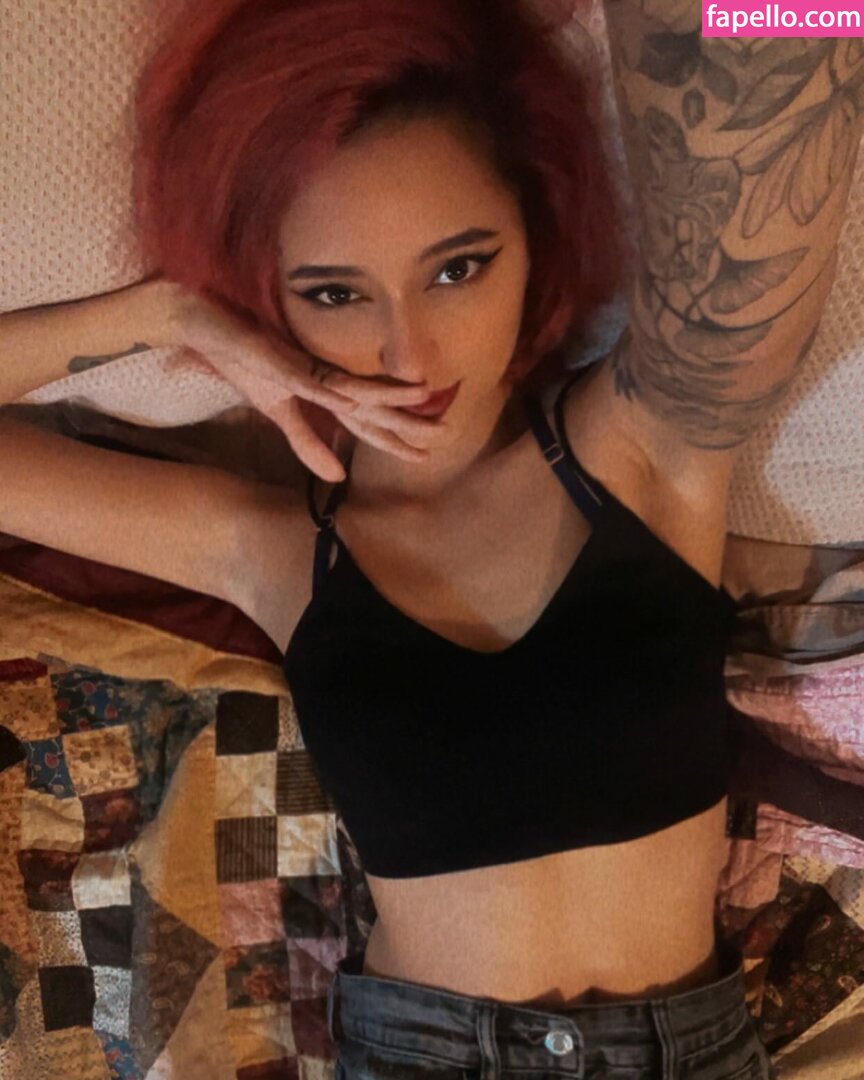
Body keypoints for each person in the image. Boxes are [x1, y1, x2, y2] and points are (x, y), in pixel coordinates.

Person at [0, 0, 858, 1076]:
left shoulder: (649, 445)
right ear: (270, 303)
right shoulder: (265, 547)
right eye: (333, 293)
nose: (408, 355)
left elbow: (784, 37)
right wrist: (168, 314)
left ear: (536, 234)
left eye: (458, 268)